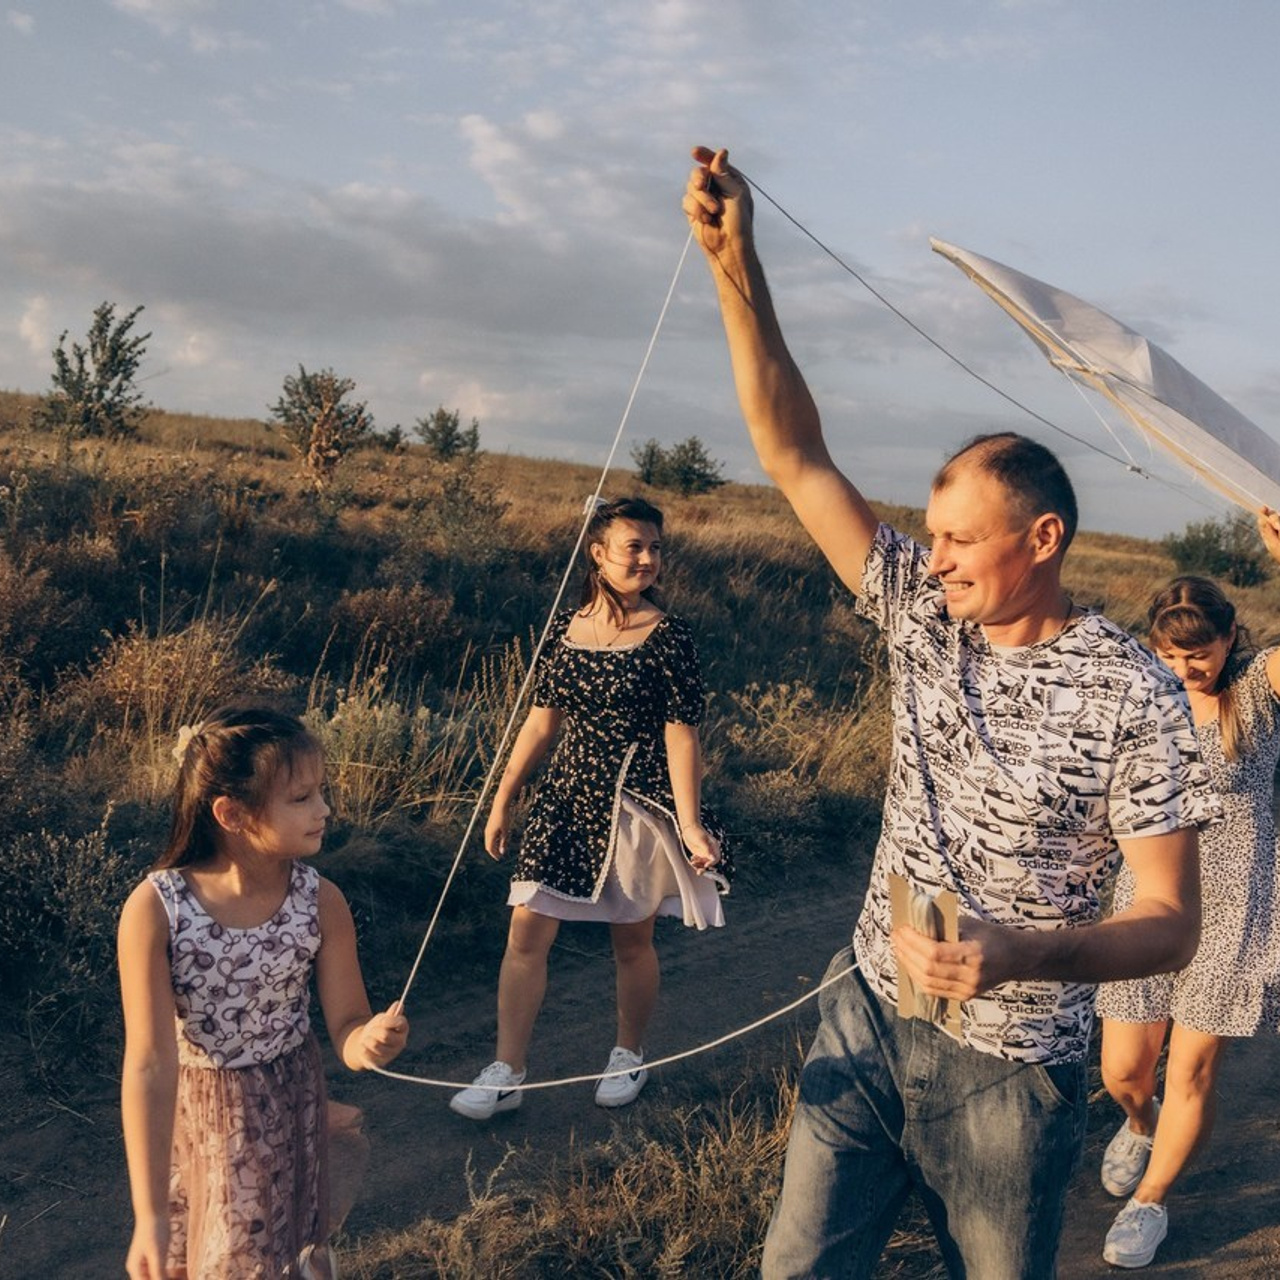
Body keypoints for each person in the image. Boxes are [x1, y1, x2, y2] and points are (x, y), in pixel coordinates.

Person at [683, 145, 1220, 1279]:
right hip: (865, 1019)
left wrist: (1018, 949)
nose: (931, 562)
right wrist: (737, 268)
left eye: (959, 539)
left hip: (1013, 1073)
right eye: (929, 537)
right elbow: (790, 450)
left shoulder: (1132, 693)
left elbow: (1169, 921)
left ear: (1042, 540)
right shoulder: (920, 610)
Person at [450, 496, 730, 1120]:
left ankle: (628, 1055)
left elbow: (682, 734)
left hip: (633, 805)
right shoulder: (564, 628)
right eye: (635, 546)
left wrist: (688, 823)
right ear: (598, 554)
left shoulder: (670, 636)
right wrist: (502, 799)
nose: (649, 558)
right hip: (565, 803)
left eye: (657, 546)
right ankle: (507, 1070)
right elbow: (540, 722)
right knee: (526, 932)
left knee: (631, 942)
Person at [118, 704, 410, 1280]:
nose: (324, 809)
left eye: (320, 792)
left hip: (289, 1110)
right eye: (301, 798)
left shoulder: (319, 900)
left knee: (272, 1263)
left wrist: (370, 1042)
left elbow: (348, 1024)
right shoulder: (158, 910)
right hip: (203, 1122)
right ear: (231, 813)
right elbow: (150, 1064)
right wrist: (147, 1214)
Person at [1095, 531, 1280, 1268]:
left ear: (1231, 634)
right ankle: (1139, 1125)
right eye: (1169, 655)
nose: (1184, 668)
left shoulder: (1259, 688)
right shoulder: (1147, 696)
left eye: (1197, 653)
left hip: (1239, 908)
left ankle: (1151, 1203)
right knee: (1124, 1074)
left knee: (1192, 1070)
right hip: (1150, 899)